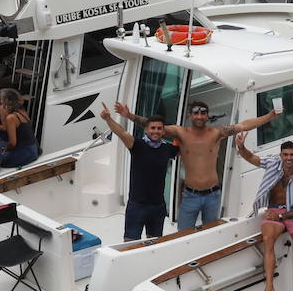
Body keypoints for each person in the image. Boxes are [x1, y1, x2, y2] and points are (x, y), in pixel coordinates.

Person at [113, 98, 281, 231]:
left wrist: (269, 117)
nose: (199, 116)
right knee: (183, 235)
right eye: (196, 113)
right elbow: (152, 125)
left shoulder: (217, 133)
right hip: (190, 196)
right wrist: (129, 116)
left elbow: (243, 125)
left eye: (203, 113)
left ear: (207, 116)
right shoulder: (180, 133)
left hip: (213, 196)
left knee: (211, 233)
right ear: (190, 116)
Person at [235, 135, 293, 291]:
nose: (288, 158)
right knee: (268, 239)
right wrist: (241, 147)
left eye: (292, 155)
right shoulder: (272, 164)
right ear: (280, 156)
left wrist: (282, 218)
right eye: (285, 154)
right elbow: (251, 158)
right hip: (273, 211)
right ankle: (269, 287)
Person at [100, 103, 178, 241]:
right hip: (137, 205)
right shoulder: (137, 145)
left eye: (159, 128)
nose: (156, 131)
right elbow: (121, 132)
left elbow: (187, 145)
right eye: (152, 128)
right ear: (146, 130)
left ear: (164, 131)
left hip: (158, 206)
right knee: (130, 244)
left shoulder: (168, 149)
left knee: (154, 243)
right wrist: (108, 119)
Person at [0, 87, 39, 167]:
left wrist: (5, 151)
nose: (1, 101)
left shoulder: (11, 118)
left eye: (2, 99)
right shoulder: (22, 112)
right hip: (34, 149)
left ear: (7, 101)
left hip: (25, 153)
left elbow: (12, 143)